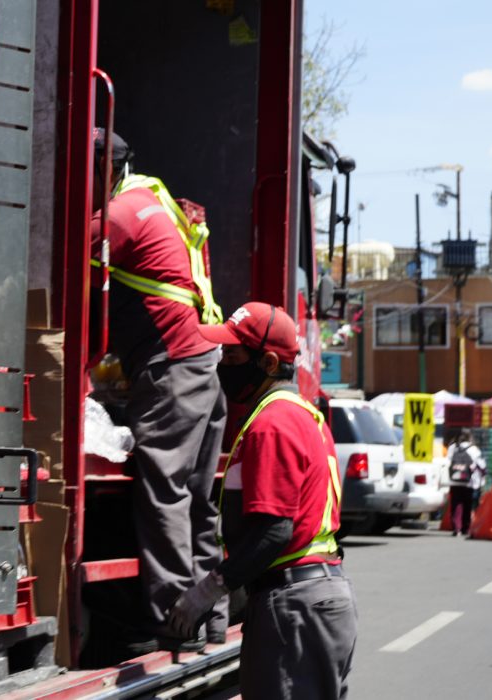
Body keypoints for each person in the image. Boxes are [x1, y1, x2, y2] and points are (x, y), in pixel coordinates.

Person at [166, 303, 357, 699]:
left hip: (294, 606)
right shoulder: (304, 415)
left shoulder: (272, 423)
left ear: (268, 363)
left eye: (232, 356)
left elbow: (273, 531)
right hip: (314, 597)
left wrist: (208, 592)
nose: (221, 364)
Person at [89, 129, 228, 652]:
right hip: (203, 365)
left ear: (104, 168)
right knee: (197, 500)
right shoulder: (154, 198)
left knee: (165, 493)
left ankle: (176, 621)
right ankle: (210, 619)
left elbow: (56, 262)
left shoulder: (121, 215)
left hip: (174, 369)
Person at [446, 430, 486, 537]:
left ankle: (456, 527)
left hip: (454, 480)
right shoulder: (474, 449)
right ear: (470, 437)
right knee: (467, 504)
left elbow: (447, 462)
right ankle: (465, 528)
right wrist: (483, 477)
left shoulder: (452, 447)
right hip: (469, 481)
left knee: (456, 504)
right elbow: (481, 465)